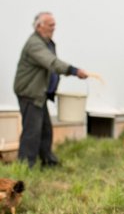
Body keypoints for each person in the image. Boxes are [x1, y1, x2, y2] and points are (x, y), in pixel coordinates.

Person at [13, 12, 88, 168]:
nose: (54, 27)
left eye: (54, 24)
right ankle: (25, 166)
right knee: (32, 132)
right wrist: (73, 70)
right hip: (30, 93)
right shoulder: (35, 44)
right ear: (39, 26)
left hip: (39, 94)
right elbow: (51, 62)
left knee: (45, 130)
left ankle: (48, 162)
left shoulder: (46, 42)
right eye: (50, 24)